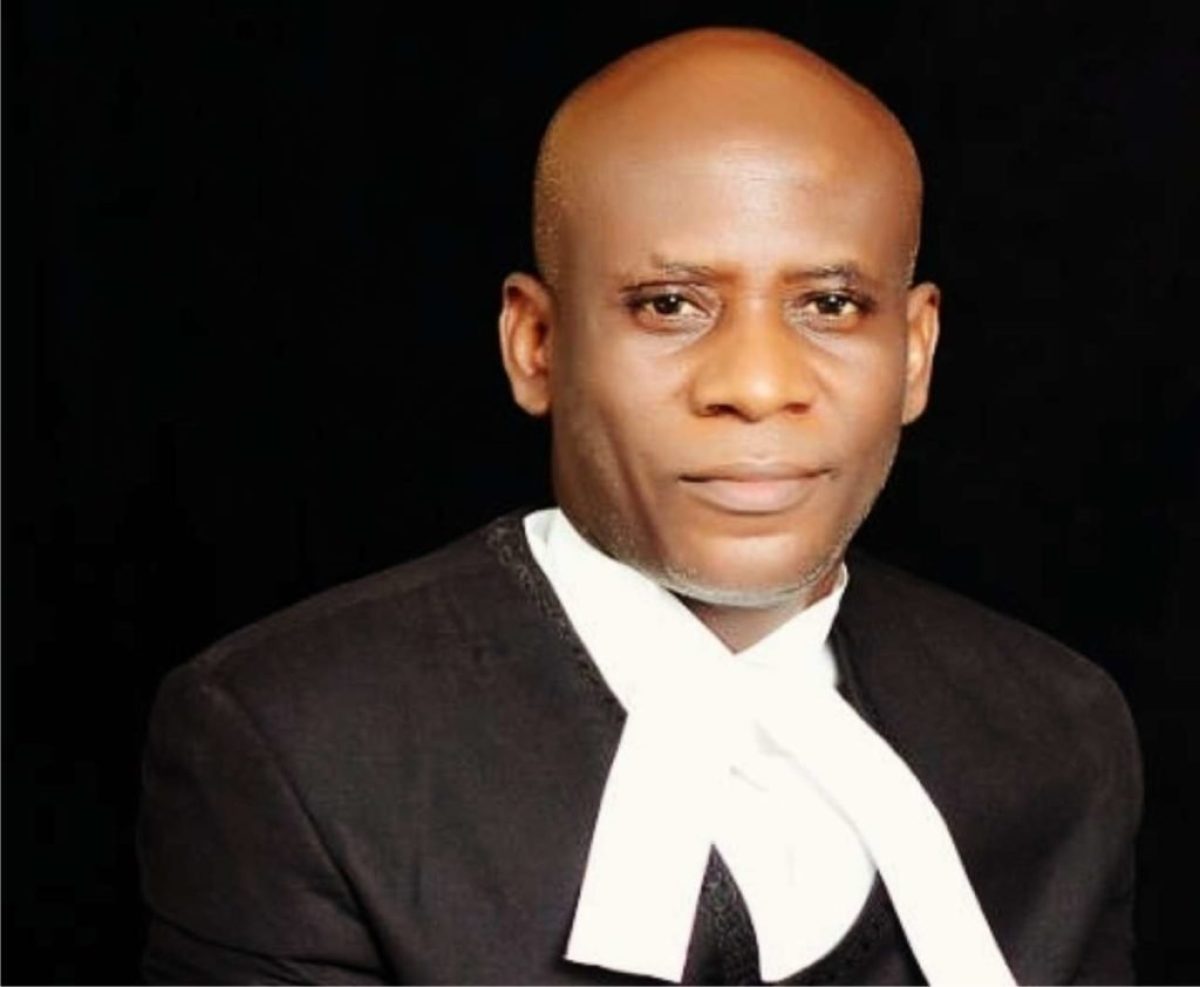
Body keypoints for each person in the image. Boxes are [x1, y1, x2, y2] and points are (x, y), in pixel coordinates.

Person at [137, 26, 1142, 986]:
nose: (756, 384)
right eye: (669, 304)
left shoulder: (1058, 729)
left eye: (831, 305)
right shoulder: (296, 742)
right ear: (536, 343)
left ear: (915, 353)